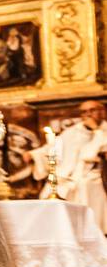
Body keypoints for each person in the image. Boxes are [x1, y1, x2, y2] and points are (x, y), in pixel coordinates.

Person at [33, 99, 107, 231]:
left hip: (96, 174)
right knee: (51, 188)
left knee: (84, 185)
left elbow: (91, 154)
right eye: (84, 112)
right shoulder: (73, 131)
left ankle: (90, 229)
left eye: (92, 110)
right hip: (69, 174)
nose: (88, 114)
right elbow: (52, 147)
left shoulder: (104, 130)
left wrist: (96, 130)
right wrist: (33, 154)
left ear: (102, 112)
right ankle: (56, 229)